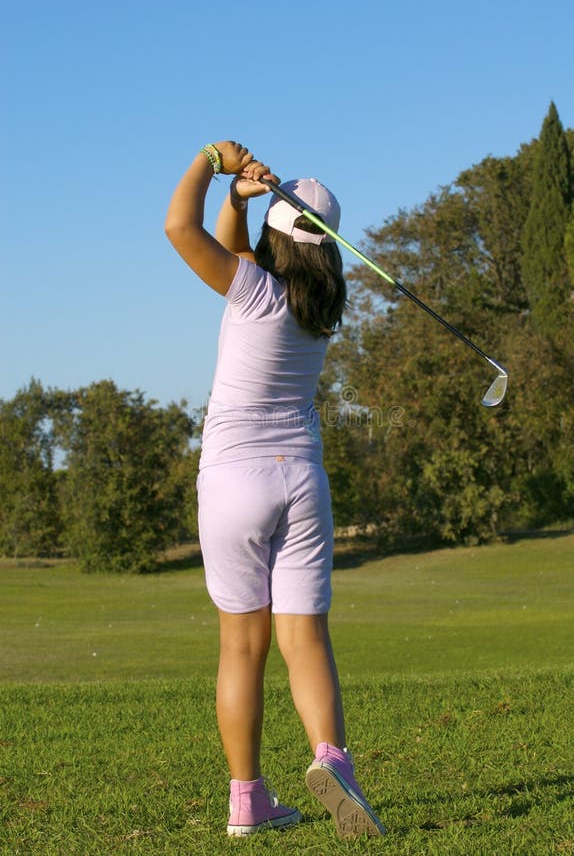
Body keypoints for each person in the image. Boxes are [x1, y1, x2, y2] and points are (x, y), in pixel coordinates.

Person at [165, 141, 385, 838]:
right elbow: (235, 246)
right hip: (301, 479)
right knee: (306, 638)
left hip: (233, 480)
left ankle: (247, 799)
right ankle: (332, 758)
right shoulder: (321, 305)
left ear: (275, 235)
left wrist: (211, 162)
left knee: (241, 647)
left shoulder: (251, 286)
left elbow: (179, 229)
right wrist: (237, 201)